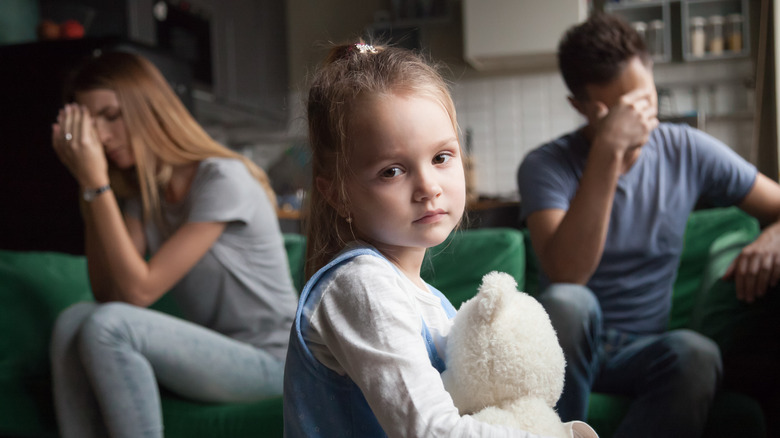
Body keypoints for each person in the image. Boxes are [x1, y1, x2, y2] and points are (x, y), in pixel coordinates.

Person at [282, 42, 597, 438]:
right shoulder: (361, 286)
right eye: (392, 171)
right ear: (337, 193)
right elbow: (432, 431)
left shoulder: (432, 303)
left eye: (441, 157)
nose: (428, 187)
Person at [516, 13, 780, 438]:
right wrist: (608, 151)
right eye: (619, 111)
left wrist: (775, 233)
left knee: (697, 353)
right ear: (580, 107)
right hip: (566, 347)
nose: (638, 119)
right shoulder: (545, 165)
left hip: (641, 350)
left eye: (644, 101)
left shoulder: (687, 150)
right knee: (568, 301)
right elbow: (568, 273)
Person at [49, 51, 298, 438]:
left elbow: (138, 290)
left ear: (150, 109)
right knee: (73, 321)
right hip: (216, 354)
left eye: (111, 116)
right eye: (90, 122)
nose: (99, 135)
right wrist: (90, 186)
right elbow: (108, 292)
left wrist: (96, 181)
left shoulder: (221, 179)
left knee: (109, 326)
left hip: (276, 361)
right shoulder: (143, 199)